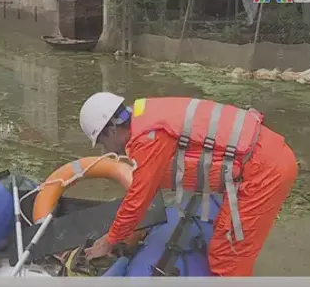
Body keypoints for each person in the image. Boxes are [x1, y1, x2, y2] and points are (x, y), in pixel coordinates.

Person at [78, 92, 298, 276]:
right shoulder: (148, 115)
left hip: (264, 170)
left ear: (112, 130)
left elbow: (138, 199)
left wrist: (109, 240)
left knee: (228, 256)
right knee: (226, 247)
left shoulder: (149, 138)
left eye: (103, 142)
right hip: (262, 157)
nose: (105, 150)